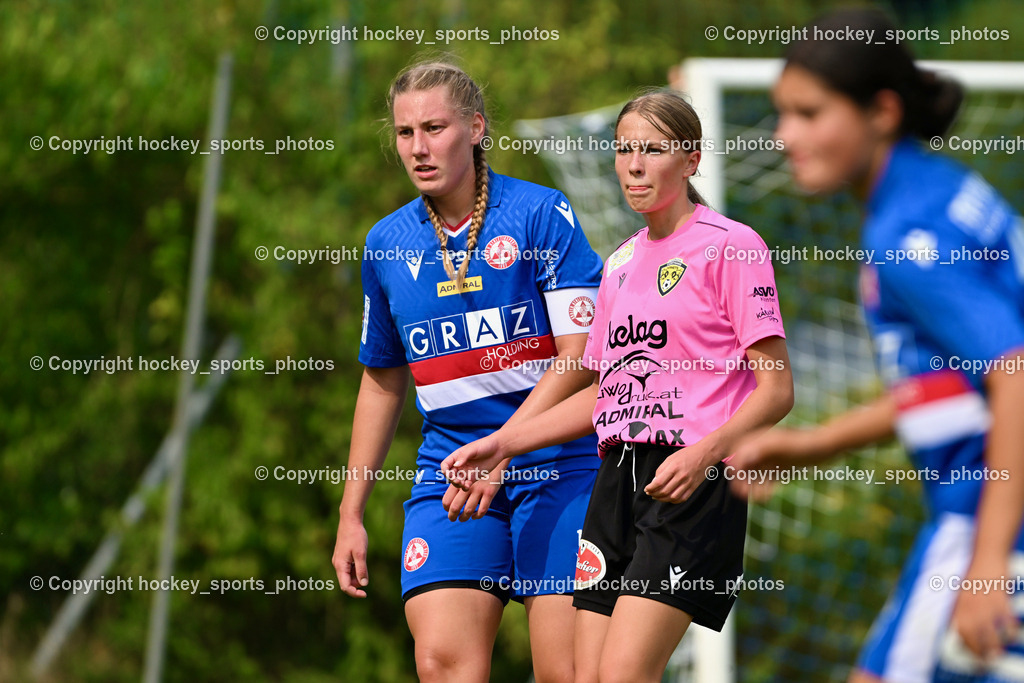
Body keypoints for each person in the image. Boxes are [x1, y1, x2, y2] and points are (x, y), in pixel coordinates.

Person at [442, 88, 794, 683]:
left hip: (692, 482)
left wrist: (703, 455)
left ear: (691, 159)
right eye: (624, 149)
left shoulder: (732, 247)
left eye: (652, 150)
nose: (634, 165)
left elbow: (778, 391)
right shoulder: (621, 263)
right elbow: (605, 394)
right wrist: (503, 445)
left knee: (624, 674)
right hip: (615, 481)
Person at [728, 8, 1024, 683]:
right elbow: (957, 383)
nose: (785, 135)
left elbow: (1014, 373)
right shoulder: (945, 189)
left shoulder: (907, 236)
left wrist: (986, 565)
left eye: (809, 113)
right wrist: (814, 443)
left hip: (984, 515)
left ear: (882, 112)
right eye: (783, 113)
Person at [330, 60, 604, 683]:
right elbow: (382, 379)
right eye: (405, 133)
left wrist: (506, 446)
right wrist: (351, 512)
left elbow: (581, 355)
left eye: (434, 128)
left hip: (559, 463)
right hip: (451, 470)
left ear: (475, 128)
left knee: (565, 672)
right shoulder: (386, 243)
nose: (418, 148)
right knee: (441, 665)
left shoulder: (539, 213)